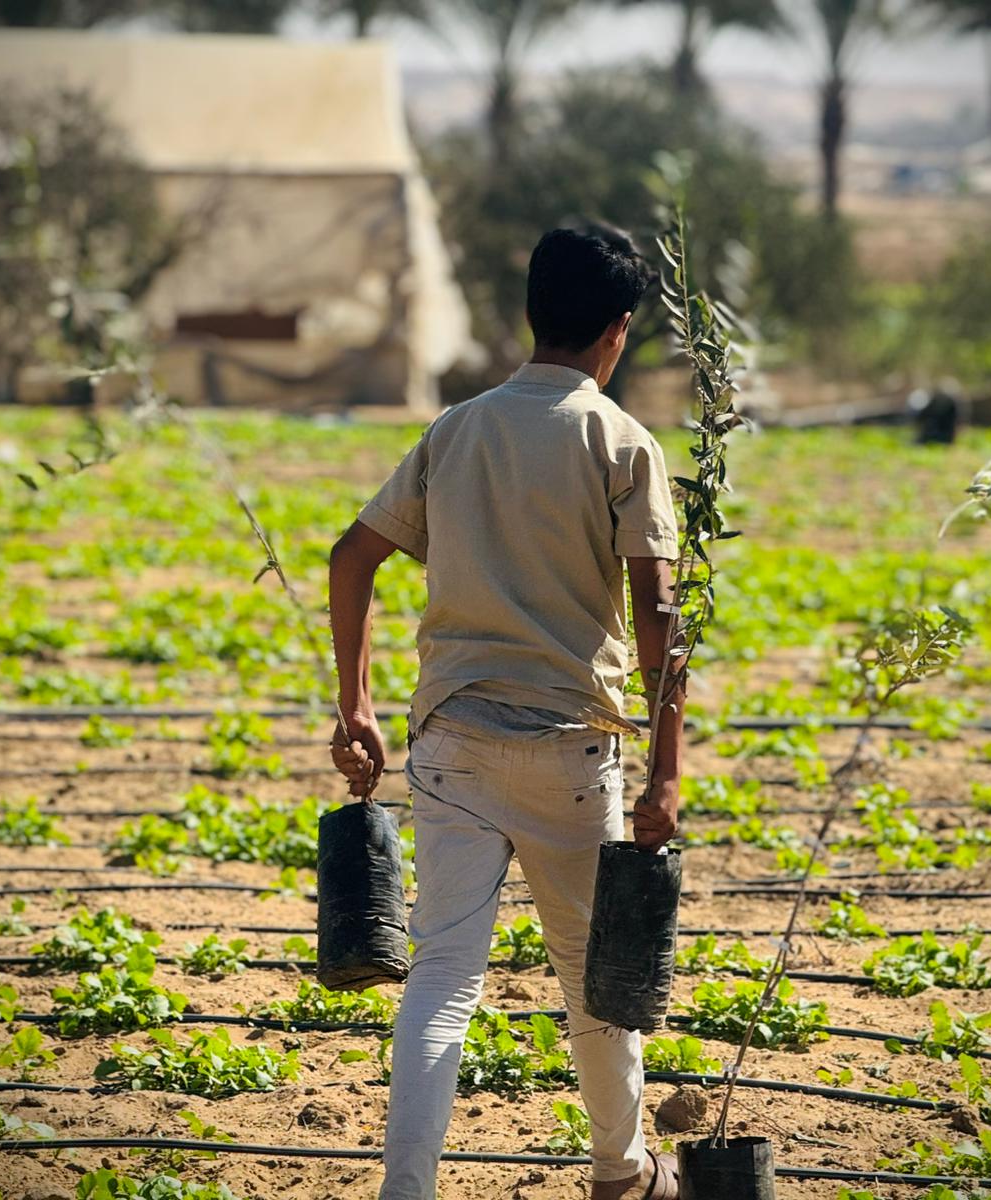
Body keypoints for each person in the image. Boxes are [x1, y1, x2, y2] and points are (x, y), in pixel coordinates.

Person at [328, 225, 687, 1200]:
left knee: (442, 976)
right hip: (571, 753)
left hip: (452, 746)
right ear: (617, 332)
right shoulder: (618, 440)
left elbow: (349, 558)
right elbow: (658, 618)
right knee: (595, 984)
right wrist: (666, 771)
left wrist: (355, 709)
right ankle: (620, 1174)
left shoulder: (457, 430)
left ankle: (407, 1190)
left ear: (529, 314)